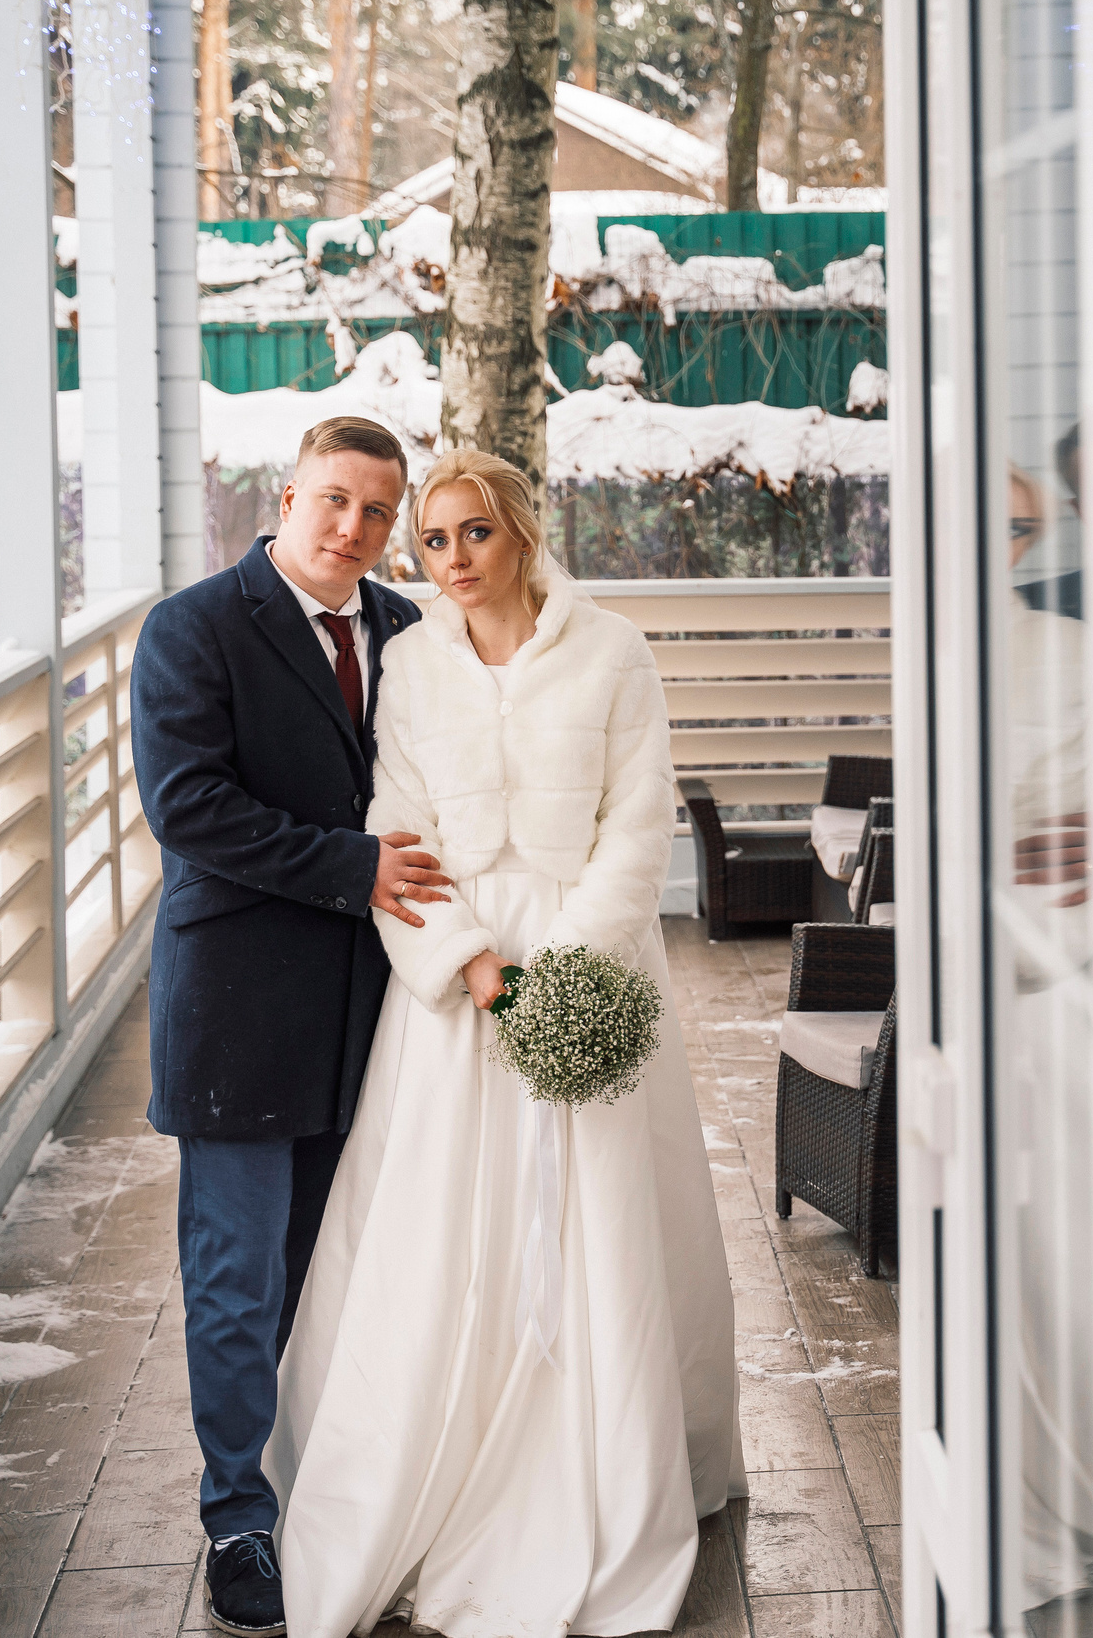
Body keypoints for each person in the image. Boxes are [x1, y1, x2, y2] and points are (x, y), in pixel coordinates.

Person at [269, 449, 743, 1638]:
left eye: (473, 534)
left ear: (522, 532)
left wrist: (565, 981)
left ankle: (608, 1472)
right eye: (430, 542)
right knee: (440, 1233)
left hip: (590, 971)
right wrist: (479, 969)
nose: (452, 561)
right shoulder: (412, 664)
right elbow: (398, 831)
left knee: (603, 1231)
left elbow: (637, 830)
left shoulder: (614, 653)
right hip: (457, 989)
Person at [131, 415, 447, 1638]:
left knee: (344, 1267)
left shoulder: (409, 631)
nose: (352, 531)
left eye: (377, 512)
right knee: (237, 1279)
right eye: (333, 501)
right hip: (241, 1007)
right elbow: (191, 807)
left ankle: (332, 1490)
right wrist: (355, 866)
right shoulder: (195, 626)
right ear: (286, 495)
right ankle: (237, 1517)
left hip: (376, 1009)